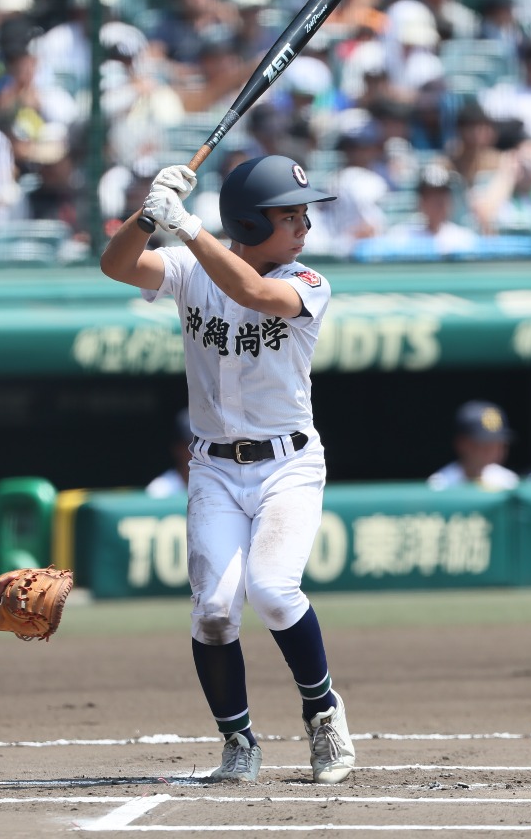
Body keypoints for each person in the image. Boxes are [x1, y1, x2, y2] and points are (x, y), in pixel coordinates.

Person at [99, 155, 355, 785]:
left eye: (303, 214)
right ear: (247, 219)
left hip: (288, 465)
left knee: (271, 588)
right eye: (288, 216)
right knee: (213, 611)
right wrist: (148, 213)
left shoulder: (308, 282)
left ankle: (323, 711)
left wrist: (183, 225)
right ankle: (238, 740)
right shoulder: (188, 268)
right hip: (213, 468)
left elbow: (252, 291)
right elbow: (116, 265)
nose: (303, 226)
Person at [428, 400, 519, 491]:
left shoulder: (508, 481)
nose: (492, 451)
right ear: (462, 443)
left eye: (498, 444)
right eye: (484, 443)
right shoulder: (441, 483)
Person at [146, 409, 194, 499]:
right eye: (194, 445)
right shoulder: (160, 490)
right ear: (178, 449)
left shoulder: (223, 486)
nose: (203, 452)